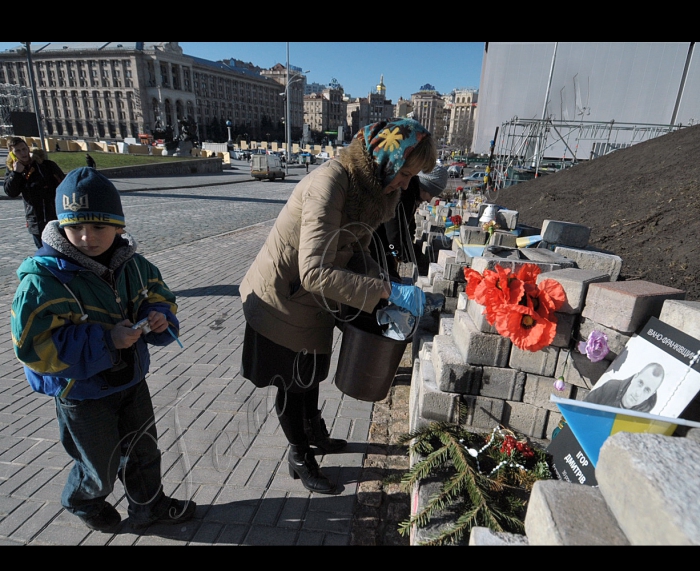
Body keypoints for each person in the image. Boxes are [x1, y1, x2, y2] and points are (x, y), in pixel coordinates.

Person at [239, 118, 437, 494]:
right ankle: (299, 456)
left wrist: (387, 283)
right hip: (282, 297)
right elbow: (314, 271)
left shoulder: (368, 189)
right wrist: (384, 291)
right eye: (406, 174)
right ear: (385, 159)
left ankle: (314, 432)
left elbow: (354, 245)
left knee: (309, 373)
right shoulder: (330, 184)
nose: (406, 184)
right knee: (292, 383)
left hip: (309, 302)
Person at [10, 167, 196, 532]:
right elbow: (34, 348)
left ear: (119, 226)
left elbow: (161, 298)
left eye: (98, 227)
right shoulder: (42, 281)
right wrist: (106, 339)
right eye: (75, 226)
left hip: (130, 381)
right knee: (99, 465)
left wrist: (157, 318)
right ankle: (83, 500)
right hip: (82, 394)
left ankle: (149, 506)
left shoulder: (135, 266)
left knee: (144, 452)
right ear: (61, 225)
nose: (87, 237)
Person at [372, 165, 449, 281]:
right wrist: (399, 253)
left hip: (382, 245)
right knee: (388, 284)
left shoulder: (411, 195)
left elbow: (409, 225)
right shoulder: (404, 195)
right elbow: (393, 232)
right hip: (375, 245)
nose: (429, 200)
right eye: (431, 195)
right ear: (424, 187)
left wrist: (411, 249)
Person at [4, 137, 65, 248]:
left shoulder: (45, 165)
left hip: (55, 215)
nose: (23, 153)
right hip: (35, 220)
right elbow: (11, 192)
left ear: (28, 148)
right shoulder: (14, 170)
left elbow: (64, 184)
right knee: (44, 254)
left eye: (24, 149)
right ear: (12, 154)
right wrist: (16, 173)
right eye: (17, 151)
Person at [585, 363, 665, 413]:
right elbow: (582, 408)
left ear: (651, 395)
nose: (638, 393)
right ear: (635, 377)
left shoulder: (642, 422)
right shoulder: (611, 387)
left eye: (647, 390)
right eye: (640, 383)